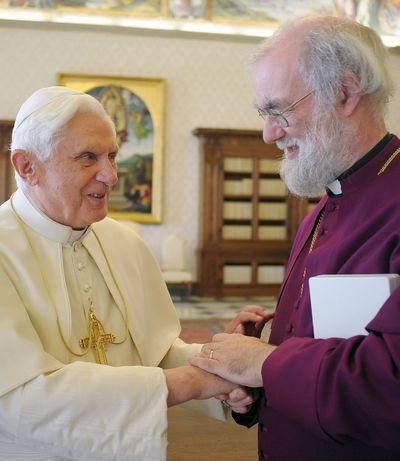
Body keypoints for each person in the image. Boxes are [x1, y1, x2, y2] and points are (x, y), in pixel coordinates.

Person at [0, 86, 254, 460]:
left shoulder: (124, 242)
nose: (111, 176)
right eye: (88, 157)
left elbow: (157, 351)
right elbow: (19, 397)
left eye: (112, 156)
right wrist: (185, 383)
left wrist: (224, 364)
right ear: (27, 166)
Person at [190, 15, 400, 461]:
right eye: (263, 114)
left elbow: (392, 384)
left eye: (278, 109)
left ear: (344, 93)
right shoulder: (321, 211)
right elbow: (319, 358)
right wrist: (249, 381)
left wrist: (263, 363)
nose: (269, 133)